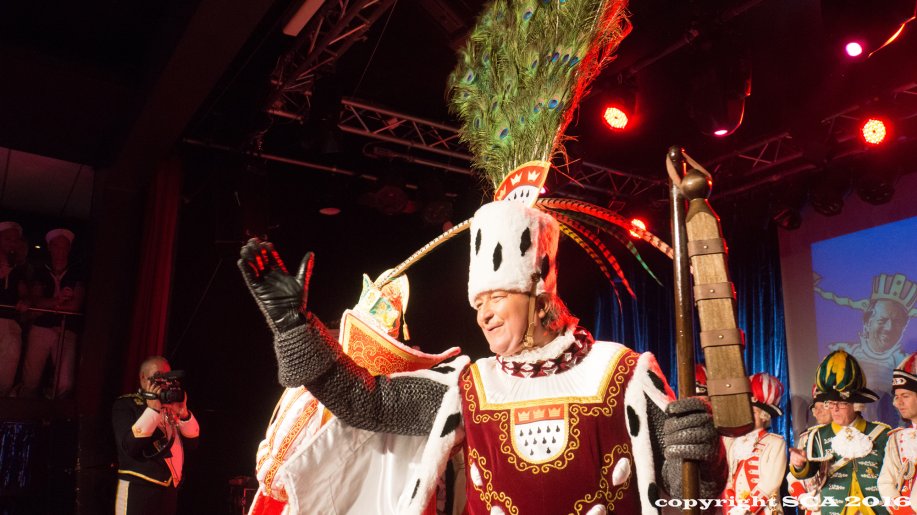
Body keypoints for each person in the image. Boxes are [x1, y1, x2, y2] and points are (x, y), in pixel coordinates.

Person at [239, 201, 727, 514]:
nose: (484, 315)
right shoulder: (471, 387)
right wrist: (293, 326)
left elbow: (689, 503)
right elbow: (367, 402)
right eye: (478, 303)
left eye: (496, 297)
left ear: (538, 293)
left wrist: (702, 463)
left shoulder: (623, 374)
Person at [789, 350, 892, 515]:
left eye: (841, 403)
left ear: (855, 404)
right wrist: (799, 464)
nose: (835, 409)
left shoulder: (881, 434)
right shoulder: (817, 436)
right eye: (831, 403)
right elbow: (809, 472)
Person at [112, 356, 199, 515]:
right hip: (139, 489)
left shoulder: (171, 406)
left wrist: (183, 413)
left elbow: (193, 444)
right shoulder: (127, 404)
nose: (164, 383)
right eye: (159, 377)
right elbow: (130, 446)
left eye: (168, 378)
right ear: (143, 378)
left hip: (169, 491)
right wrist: (152, 410)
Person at [830, 273, 916, 424]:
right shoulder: (844, 359)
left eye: (896, 322)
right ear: (867, 322)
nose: (889, 328)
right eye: (882, 320)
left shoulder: (909, 365)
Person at [20, 228, 85, 398]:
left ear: (69, 249)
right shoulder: (40, 271)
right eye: (56, 246)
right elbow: (36, 300)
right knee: (31, 378)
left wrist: (47, 304)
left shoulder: (77, 272)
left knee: (65, 381)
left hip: (67, 328)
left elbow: (75, 306)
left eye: (64, 247)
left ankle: (55, 408)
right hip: (41, 327)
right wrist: (59, 301)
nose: (60, 251)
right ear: (49, 247)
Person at [722, 372, 787, 515]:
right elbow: (729, 480)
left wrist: (747, 508)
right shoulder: (733, 442)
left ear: (764, 416)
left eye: (753, 412)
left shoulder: (775, 443)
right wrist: (733, 507)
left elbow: (771, 483)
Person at [878, 353, 917, 513]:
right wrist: (901, 511)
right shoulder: (897, 438)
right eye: (897, 397)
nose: (898, 403)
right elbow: (886, 482)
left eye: (905, 396)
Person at [786, 384, 833, 515]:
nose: (818, 412)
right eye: (815, 408)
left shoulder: (847, 435)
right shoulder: (807, 437)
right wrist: (802, 497)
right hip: (814, 509)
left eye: (823, 407)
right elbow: (794, 477)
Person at [0, 221, 28, 396]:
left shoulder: (18, 268)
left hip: (11, 323)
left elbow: (24, 293)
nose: (12, 243)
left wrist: (25, 301)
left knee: (6, 374)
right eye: (8, 239)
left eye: (15, 240)